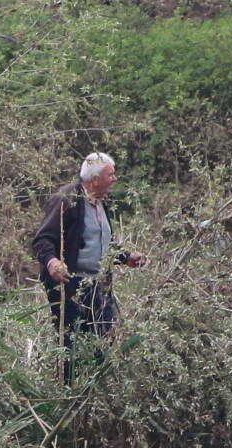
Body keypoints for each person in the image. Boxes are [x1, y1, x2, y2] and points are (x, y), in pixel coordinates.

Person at [31, 152, 148, 360]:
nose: (115, 179)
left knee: (104, 336)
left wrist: (126, 257)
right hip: (70, 285)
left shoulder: (101, 203)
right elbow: (42, 240)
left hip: (99, 285)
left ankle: (96, 387)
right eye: (111, 174)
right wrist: (52, 262)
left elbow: (101, 243)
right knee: (70, 344)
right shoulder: (67, 199)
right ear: (95, 180)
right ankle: (67, 388)